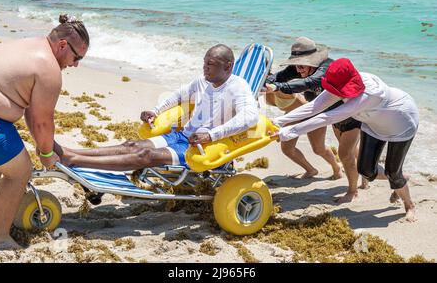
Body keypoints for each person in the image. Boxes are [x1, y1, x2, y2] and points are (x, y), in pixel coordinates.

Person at [57, 44, 259, 171]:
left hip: (201, 147)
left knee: (144, 156)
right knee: (131, 145)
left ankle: (76, 161)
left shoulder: (238, 86)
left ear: (228, 66)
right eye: (204, 62)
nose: (205, 67)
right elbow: (178, 95)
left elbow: (250, 117)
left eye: (211, 64)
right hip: (181, 136)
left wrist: (212, 135)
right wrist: (155, 111)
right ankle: (71, 153)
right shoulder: (202, 81)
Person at [0, 14, 89, 250]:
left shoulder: (29, 45)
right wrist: (45, 154)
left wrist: (44, 146)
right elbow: (43, 121)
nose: (76, 64)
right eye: (77, 57)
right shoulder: (49, 68)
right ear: (63, 45)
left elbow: (32, 115)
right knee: (19, 172)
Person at [273, 58, 418, 221]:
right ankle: (401, 178)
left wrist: (286, 133)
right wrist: (278, 122)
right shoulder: (341, 80)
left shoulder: (368, 94)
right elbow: (314, 107)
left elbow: (326, 118)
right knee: (366, 170)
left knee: (393, 172)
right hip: (374, 125)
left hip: (401, 123)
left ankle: (409, 204)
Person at [263, 37, 345, 180]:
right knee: (287, 148)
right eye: (296, 65)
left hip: (330, 111)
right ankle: (311, 170)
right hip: (304, 108)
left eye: (301, 66)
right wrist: (266, 83)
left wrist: (277, 87)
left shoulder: (326, 67)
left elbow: (309, 82)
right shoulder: (299, 67)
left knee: (319, 149)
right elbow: (278, 76)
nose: (298, 69)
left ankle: (337, 168)